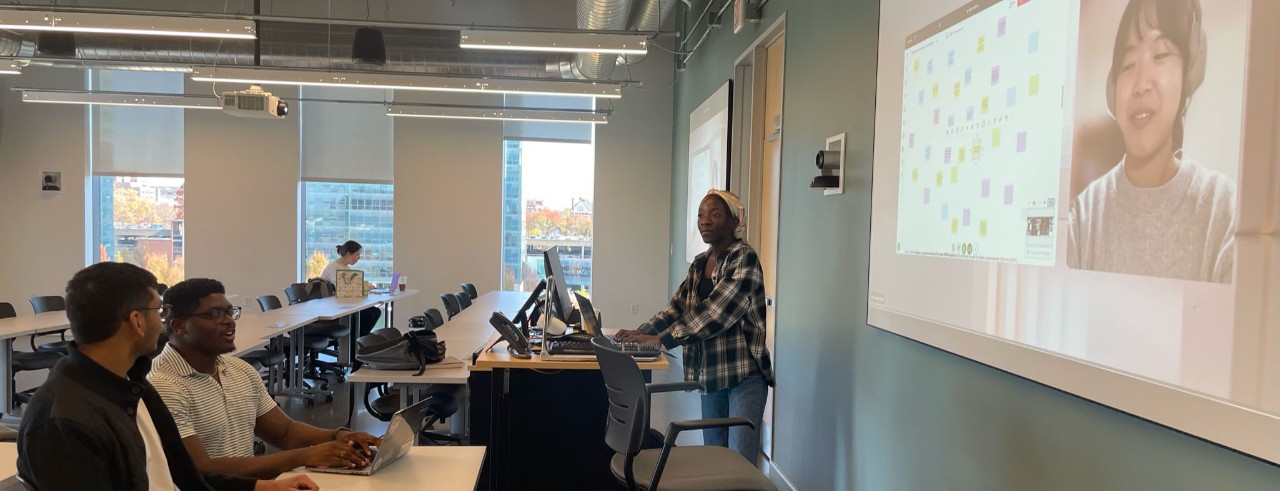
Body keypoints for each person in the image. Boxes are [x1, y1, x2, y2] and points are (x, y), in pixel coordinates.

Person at [17, 262, 318, 491]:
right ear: (136, 321)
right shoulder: (64, 421)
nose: (163, 322)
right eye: (158, 312)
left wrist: (262, 488)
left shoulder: (133, 383)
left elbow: (182, 474)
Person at [1068, 0, 1236, 283]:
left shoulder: (1220, 208)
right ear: (1113, 89)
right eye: (1128, 64)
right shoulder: (1085, 215)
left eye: (1160, 55)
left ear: (1190, 72)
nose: (1141, 83)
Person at [150, 278, 382, 480]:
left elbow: (285, 433)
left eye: (230, 312)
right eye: (215, 315)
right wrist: (304, 456)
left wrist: (339, 436)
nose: (229, 321)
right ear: (179, 326)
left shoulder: (239, 370)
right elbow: (201, 469)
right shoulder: (164, 386)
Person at [615, 189, 775, 465]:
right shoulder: (700, 262)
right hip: (711, 374)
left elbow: (715, 313)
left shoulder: (744, 258)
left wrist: (663, 340)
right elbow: (678, 307)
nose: (705, 221)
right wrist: (643, 332)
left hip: (744, 377)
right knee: (713, 458)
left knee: (739, 463)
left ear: (735, 222)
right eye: (701, 214)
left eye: (715, 214)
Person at [320, 240, 382, 337]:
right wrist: (363, 288)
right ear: (349, 254)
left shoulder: (346, 268)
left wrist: (363, 288)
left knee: (375, 311)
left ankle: (360, 341)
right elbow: (343, 289)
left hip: (343, 303)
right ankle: (354, 344)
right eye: (357, 255)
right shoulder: (334, 267)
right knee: (368, 314)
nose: (359, 258)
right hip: (333, 306)